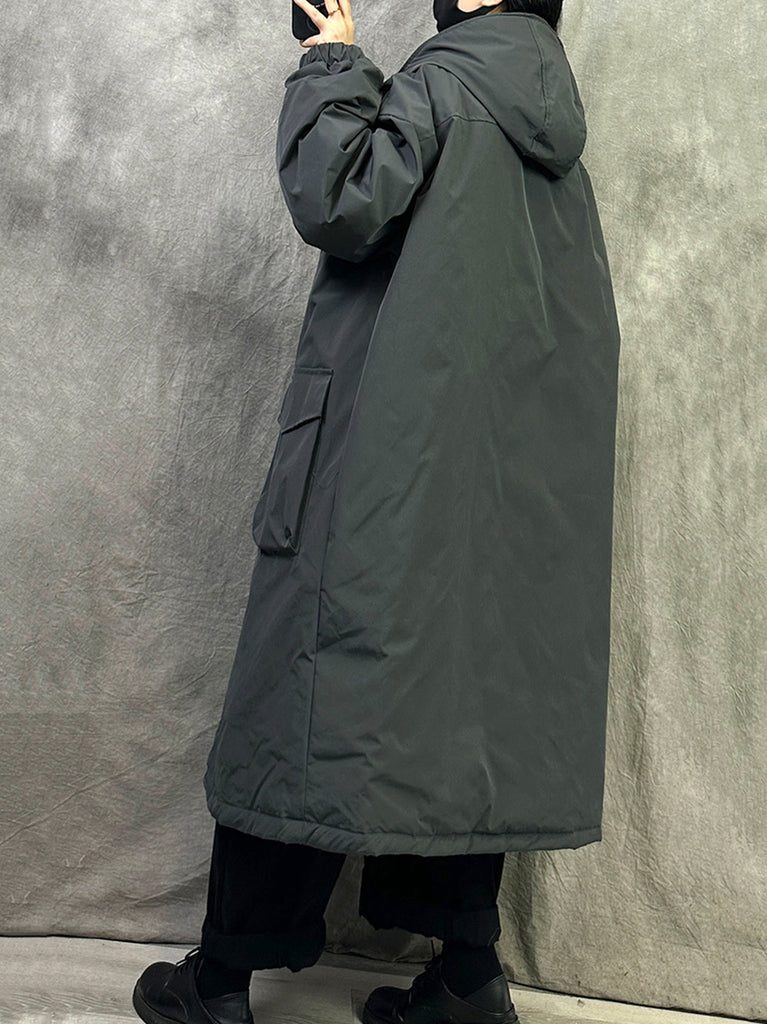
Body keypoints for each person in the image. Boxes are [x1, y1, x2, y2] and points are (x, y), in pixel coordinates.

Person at [132, 0, 621, 1022]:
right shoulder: (553, 141)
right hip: (498, 500)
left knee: (309, 696)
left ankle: (220, 983)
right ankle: (468, 978)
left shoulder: (443, 84)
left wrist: (330, 61)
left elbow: (340, 200)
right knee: (459, 712)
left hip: (383, 469)